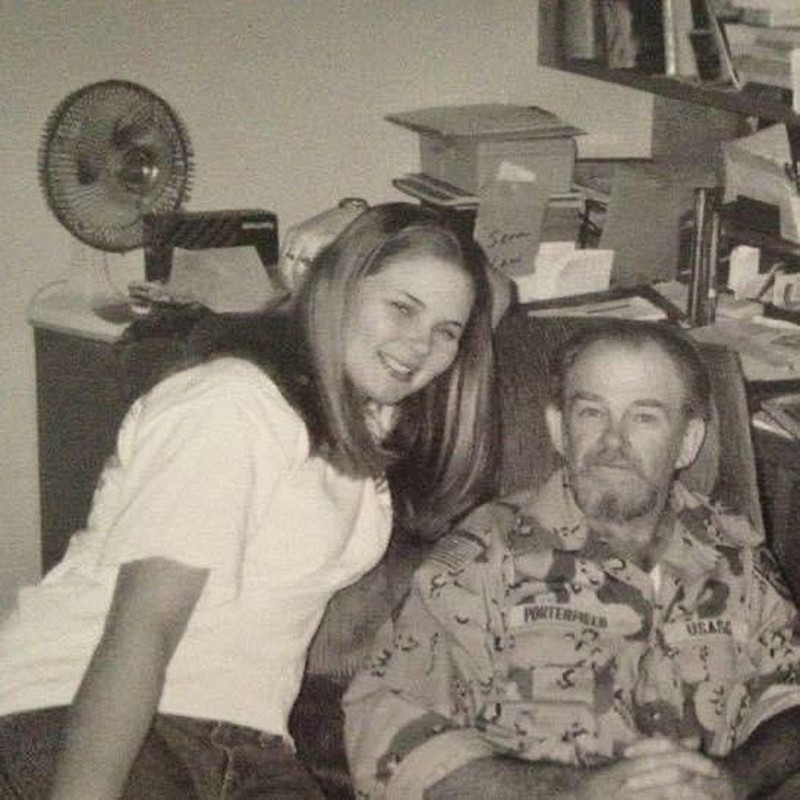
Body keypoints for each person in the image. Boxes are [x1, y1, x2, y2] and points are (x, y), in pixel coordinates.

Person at [0, 202, 500, 800]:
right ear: (337, 288)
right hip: (85, 709)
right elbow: (145, 625)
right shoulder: (233, 403)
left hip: (248, 744)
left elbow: (496, 291)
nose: (419, 345)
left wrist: (361, 217)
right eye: (400, 308)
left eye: (446, 331)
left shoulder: (363, 423)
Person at [344, 320, 800, 800]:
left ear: (687, 442)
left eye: (644, 417)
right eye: (591, 413)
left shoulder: (736, 555)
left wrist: (733, 778)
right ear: (559, 429)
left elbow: (790, 699)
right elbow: (391, 742)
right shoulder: (486, 554)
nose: (612, 441)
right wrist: (584, 791)